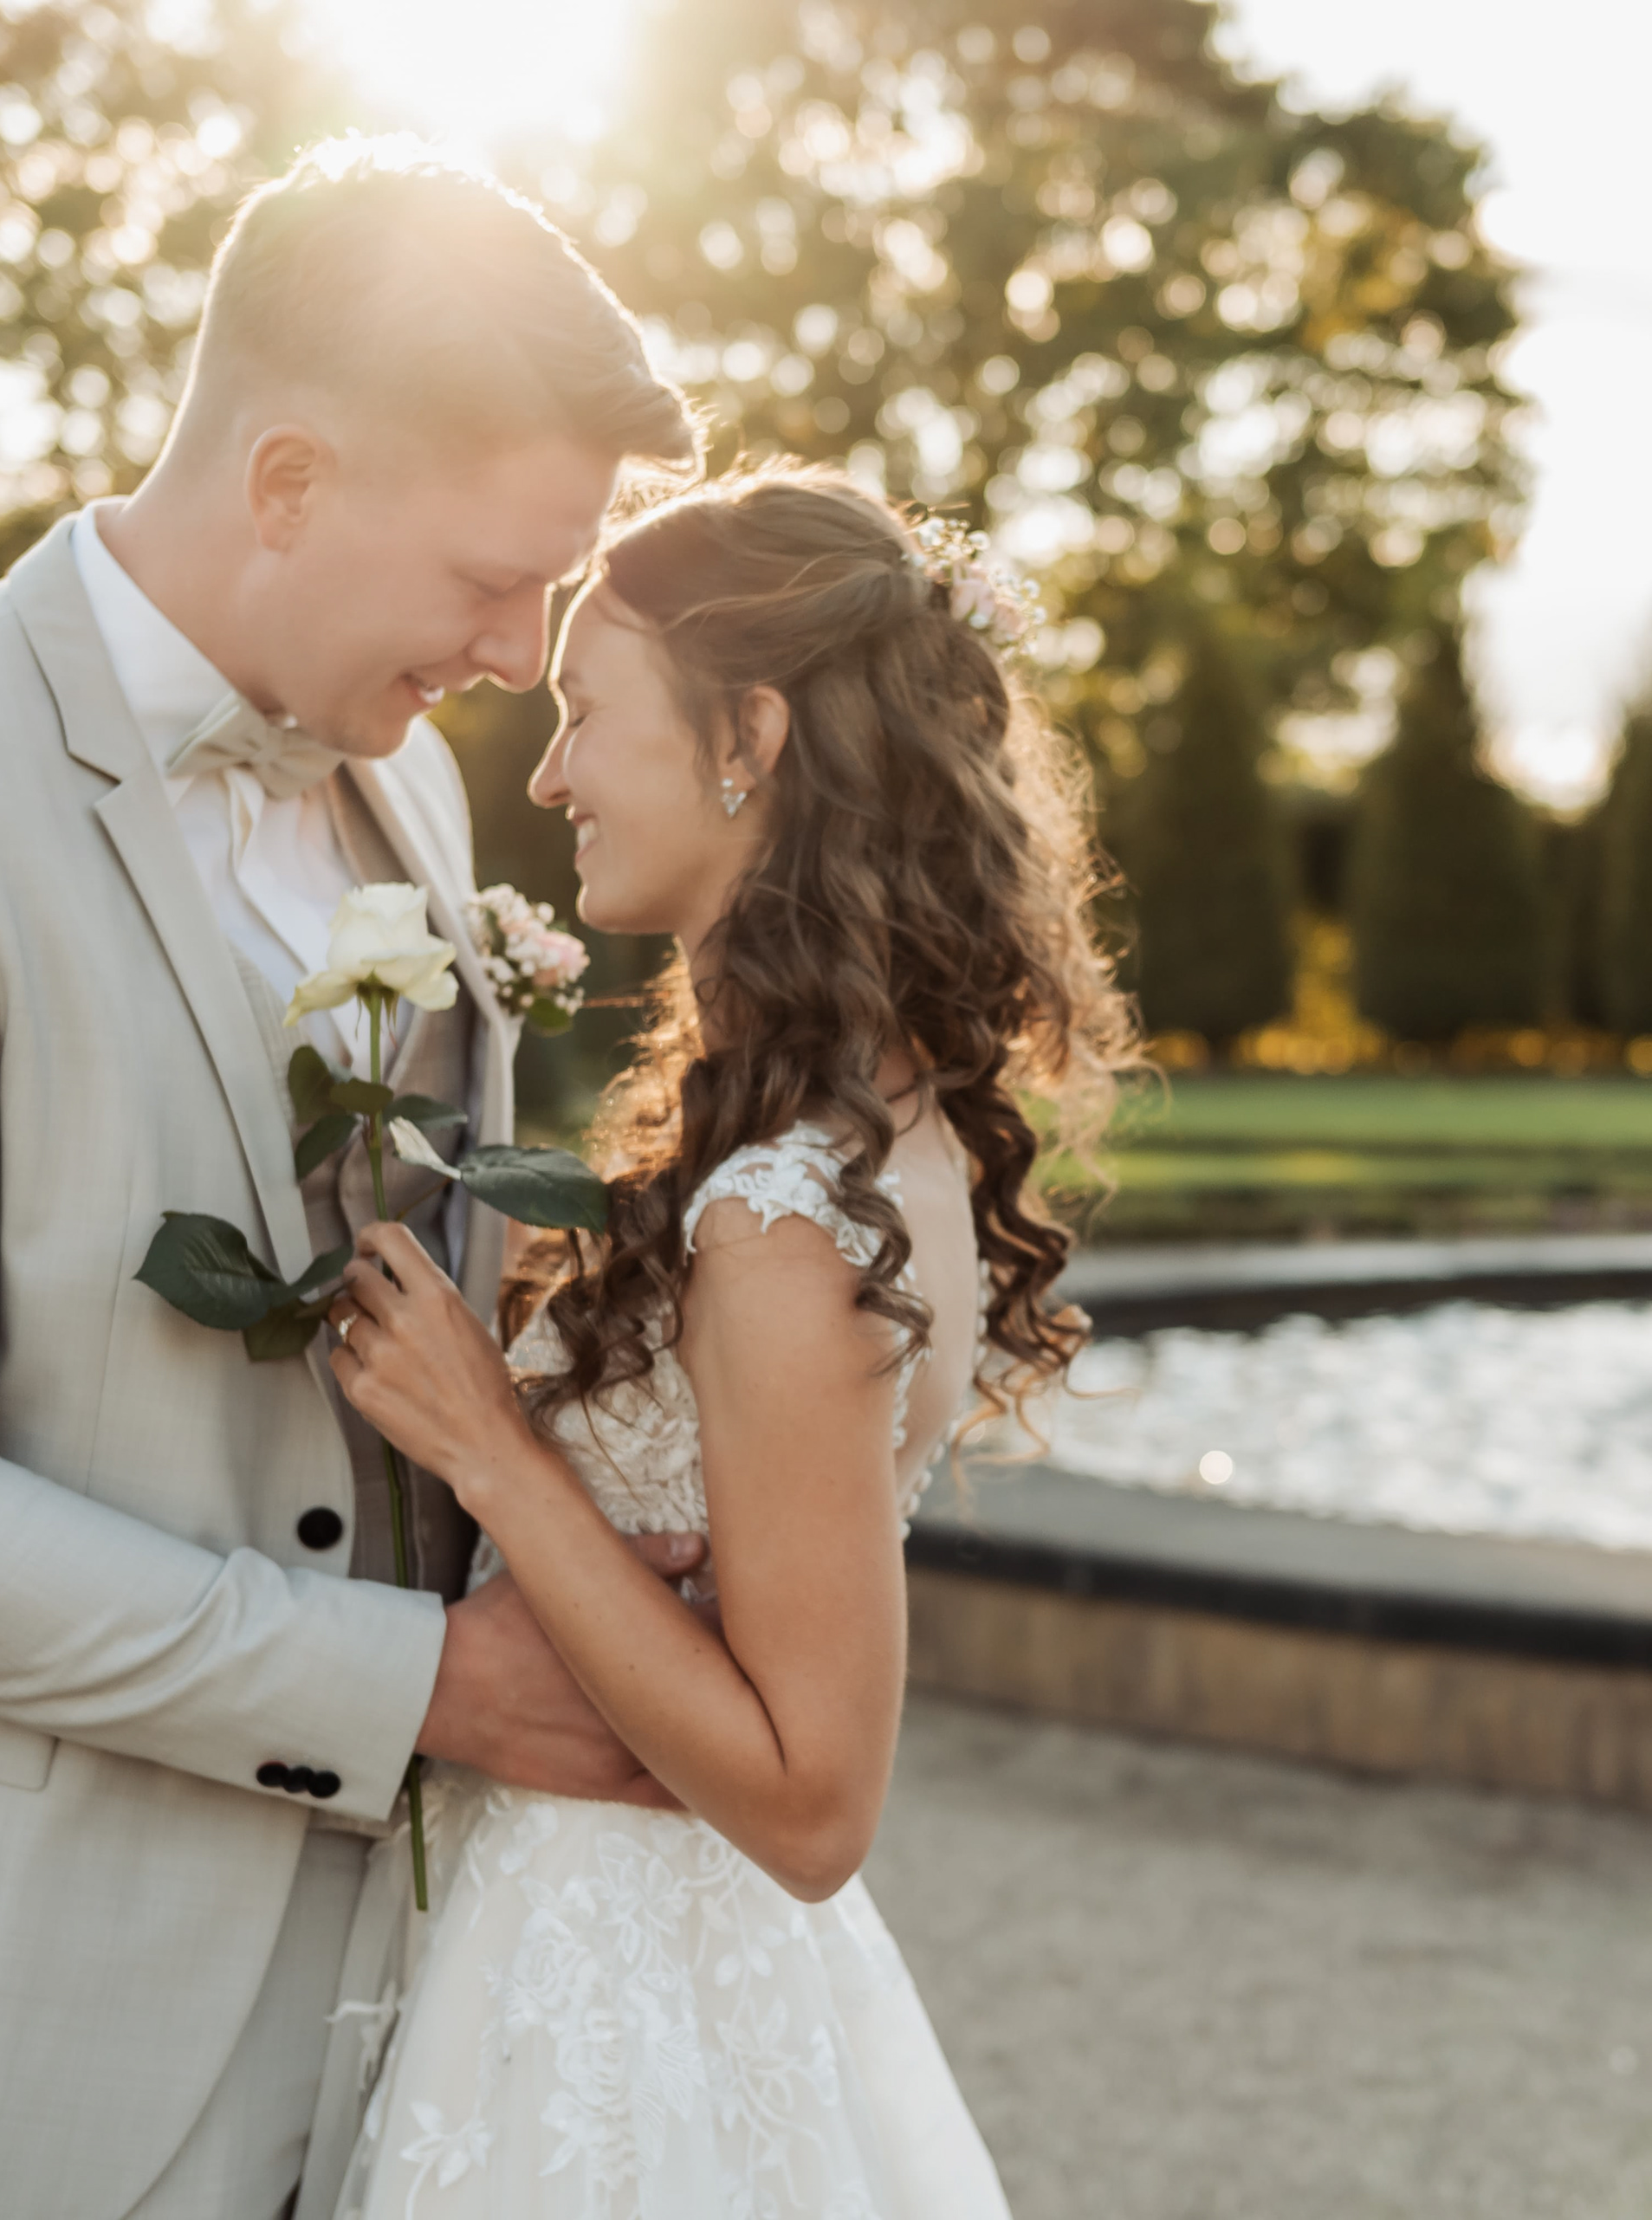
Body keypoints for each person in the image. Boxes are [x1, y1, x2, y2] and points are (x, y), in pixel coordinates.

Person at [0, 139, 699, 2220]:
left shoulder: (405, 769)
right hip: (16, 2004)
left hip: (406, 2001)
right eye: (499, 576)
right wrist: (419, 1688)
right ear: (289, 482)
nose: (523, 653)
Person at [312, 467, 1137, 2216]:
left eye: (585, 713)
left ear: (746, 734)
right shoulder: (833, 1133)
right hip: (619, 1955)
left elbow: (815, 1799)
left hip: (622, 1997)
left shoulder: (780, 1215)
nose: (546, 777)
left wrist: (494, 1449)